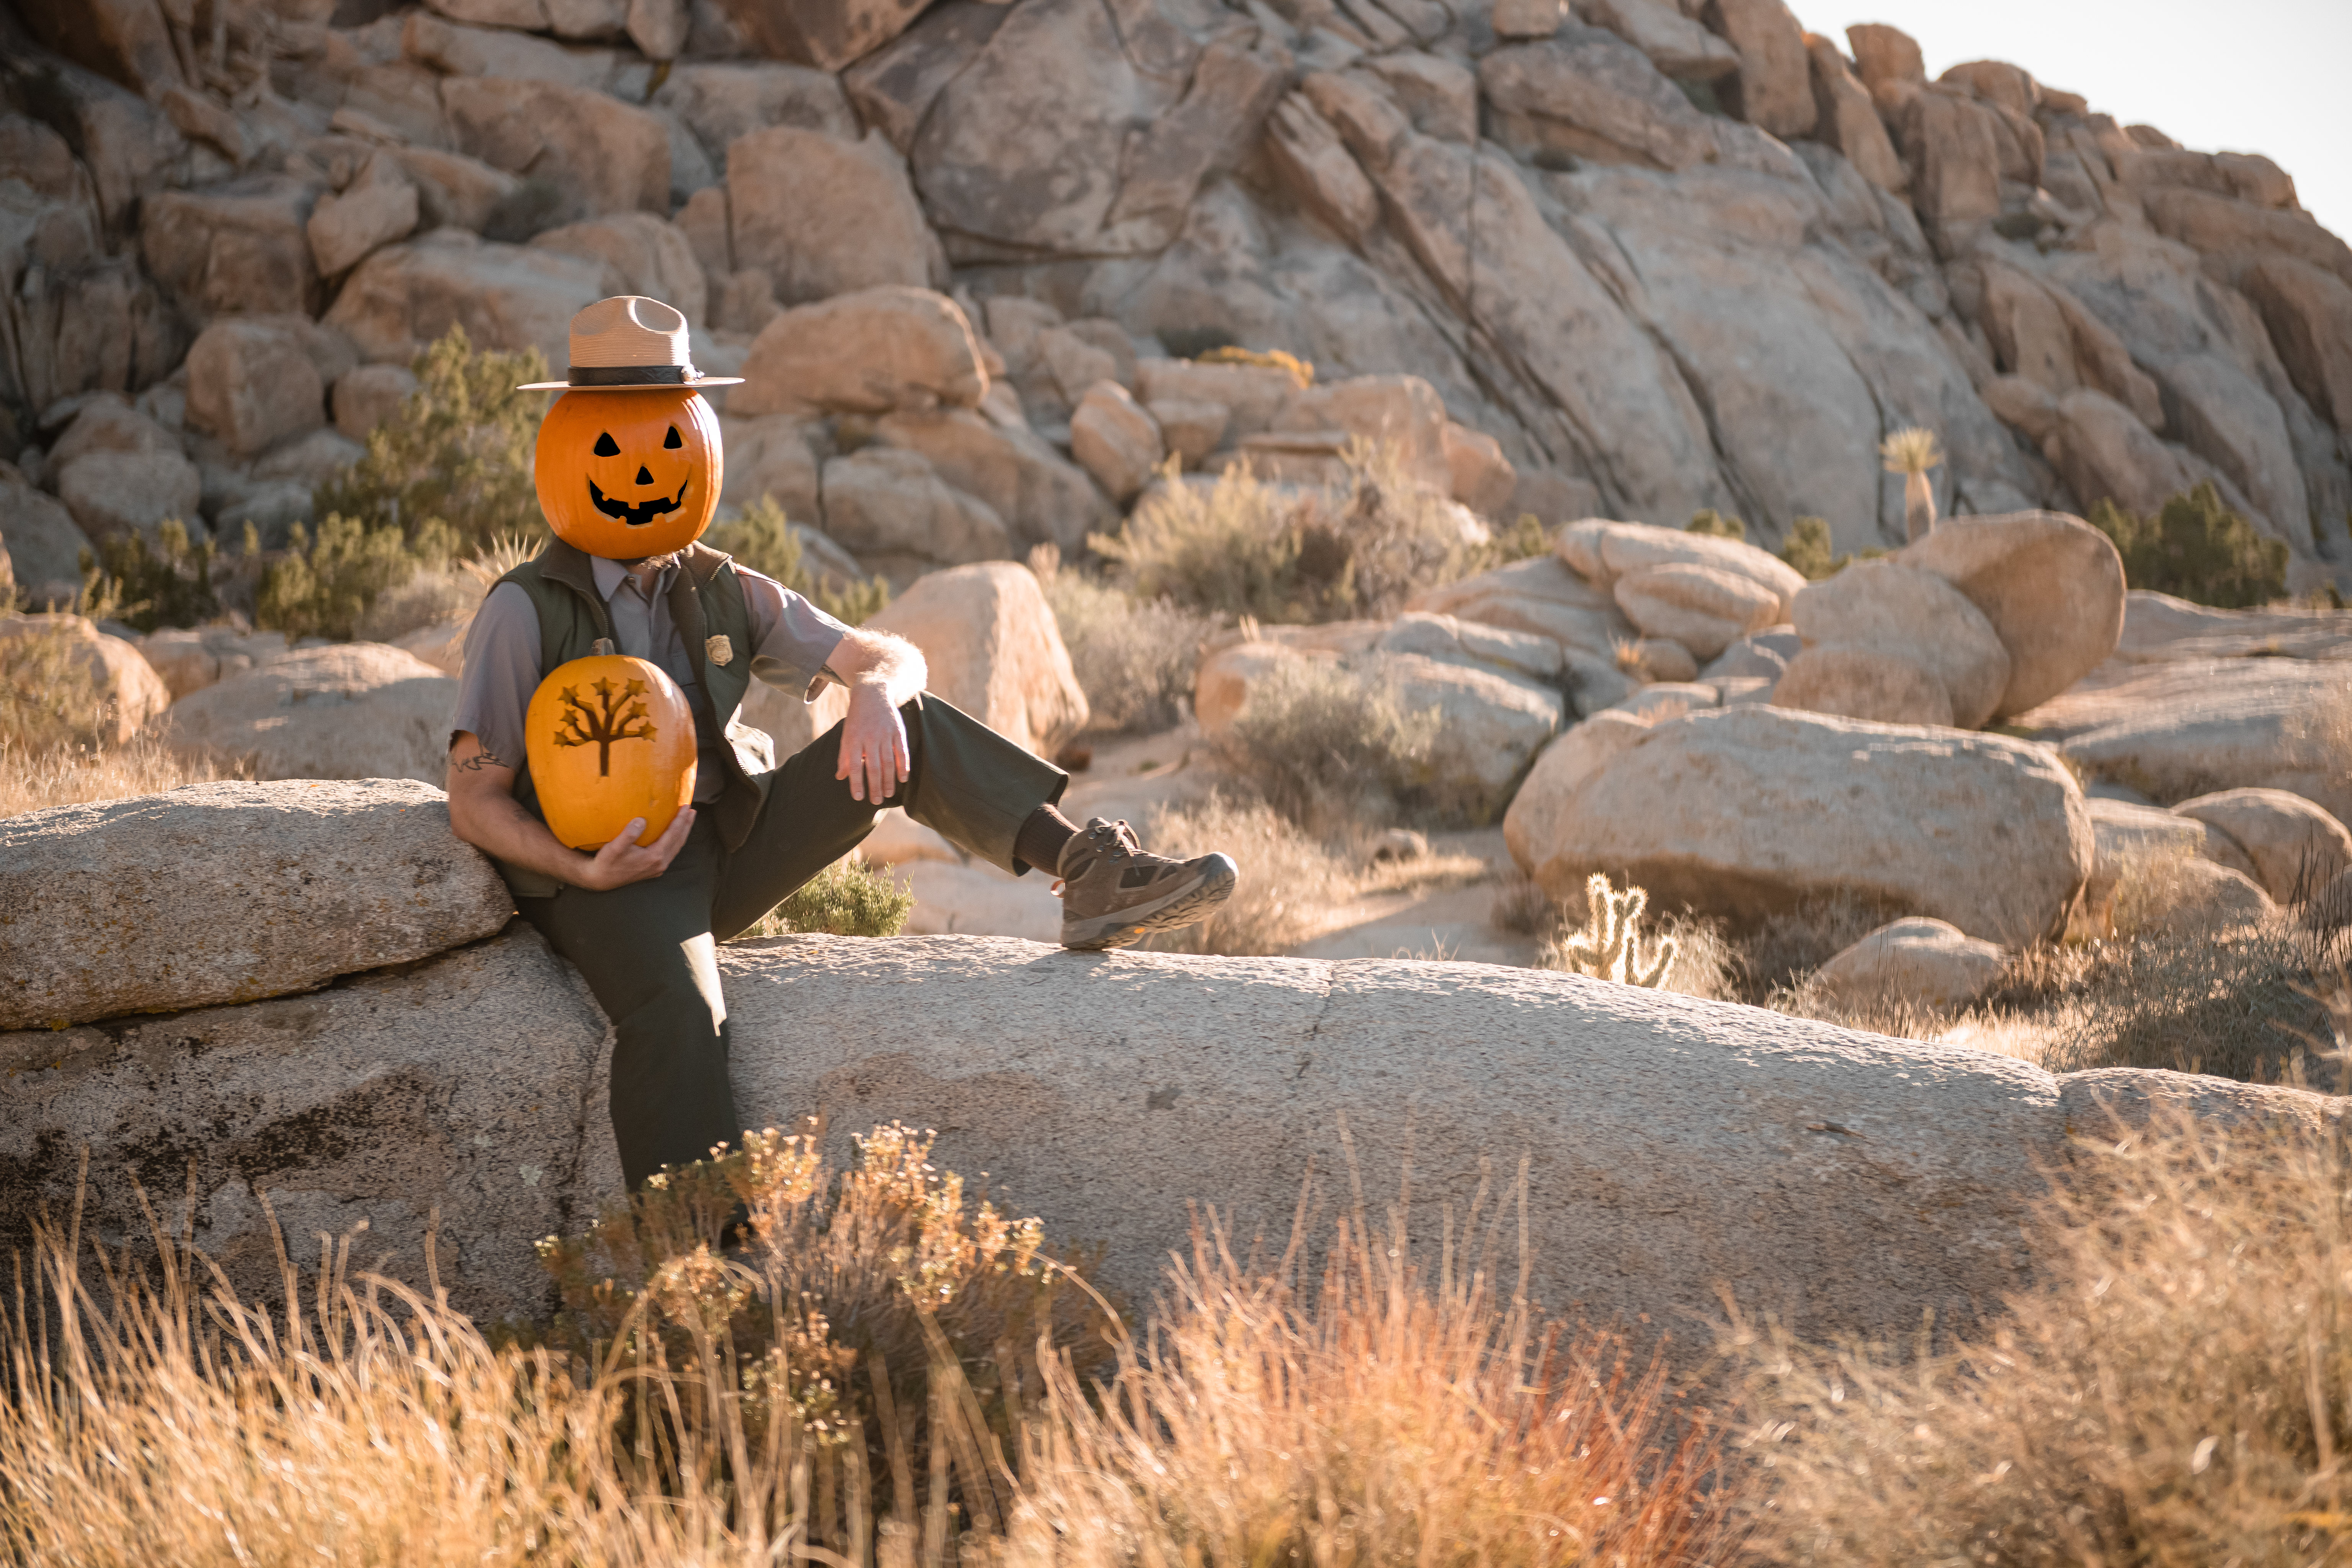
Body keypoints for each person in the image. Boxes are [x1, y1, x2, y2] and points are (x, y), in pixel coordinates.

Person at [444, 296, 1238, 1192]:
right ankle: (703, 1258)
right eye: (611, 445)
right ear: (565, 447)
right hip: (607, 873)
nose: (643, 465)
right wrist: (578, 868)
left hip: (726, 844)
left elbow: (892, 652)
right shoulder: (524, 609)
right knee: (680, 1008)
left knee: (910, 721)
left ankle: (1088, 873)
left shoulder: (723, 588)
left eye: (670, 440)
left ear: (700, 442)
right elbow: (474, 795)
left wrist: (870, 691)